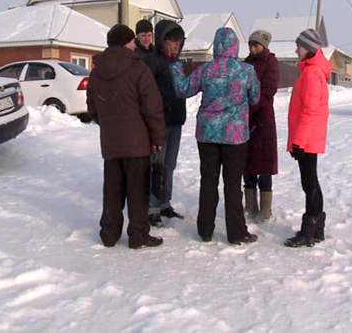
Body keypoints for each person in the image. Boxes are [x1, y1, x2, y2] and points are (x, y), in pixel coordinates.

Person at [171, 28, 260, 245]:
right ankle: (237, 233)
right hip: (235, 136)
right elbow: (255, 98)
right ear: (235, 45)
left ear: (216, 45)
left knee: (208, 181)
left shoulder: (206, 69)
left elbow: (183, 90)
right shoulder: (246, 70)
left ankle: (205, 230)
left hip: (207, 134)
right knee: (233, 185)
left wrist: (175, 67)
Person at [87, 24, 167, 250]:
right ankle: (138, 235)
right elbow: (152, 108)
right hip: (137, 143)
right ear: (125, 43)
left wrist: (111, 125)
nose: (135, 45)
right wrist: (158, 137)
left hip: (111, 142)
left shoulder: (96, 73)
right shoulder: (139, 69)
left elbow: (92, 110)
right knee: (137, 191)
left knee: (112, 190)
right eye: (132, 41)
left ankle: (109, 234)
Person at [284, 29, 331, 248]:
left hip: (307, 139)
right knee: (311, 182)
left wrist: (298, 141)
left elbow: (310, 111)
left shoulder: (312, 73)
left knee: (309, 183)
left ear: (309, 48)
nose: (296, 50)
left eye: (299, 46)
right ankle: (317, 229)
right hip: (309, 137)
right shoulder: (311, 71)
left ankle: (308, 232)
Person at [142, 20, 187, 227]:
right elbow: (145, 94)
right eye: (173, 39)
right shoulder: (152, 61)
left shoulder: (177, 63)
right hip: (159, 123)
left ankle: (164, 203)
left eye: (180, 39)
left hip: (175, 121)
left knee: (169, 165)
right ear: (163, 39)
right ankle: (152, 208)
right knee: (156, 166)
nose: (178, 43)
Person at [243, 30, 279, 223]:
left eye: (255, 45)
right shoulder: (246, 63)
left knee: (264, 164)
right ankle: (250, 205)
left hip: (263, 119)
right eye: (250, 45)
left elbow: (267, 90)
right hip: (246, 119)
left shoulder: (271, 63)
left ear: (264, 45)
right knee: (247, 163)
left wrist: (250, 108)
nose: (252, 48)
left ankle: (265, 208)